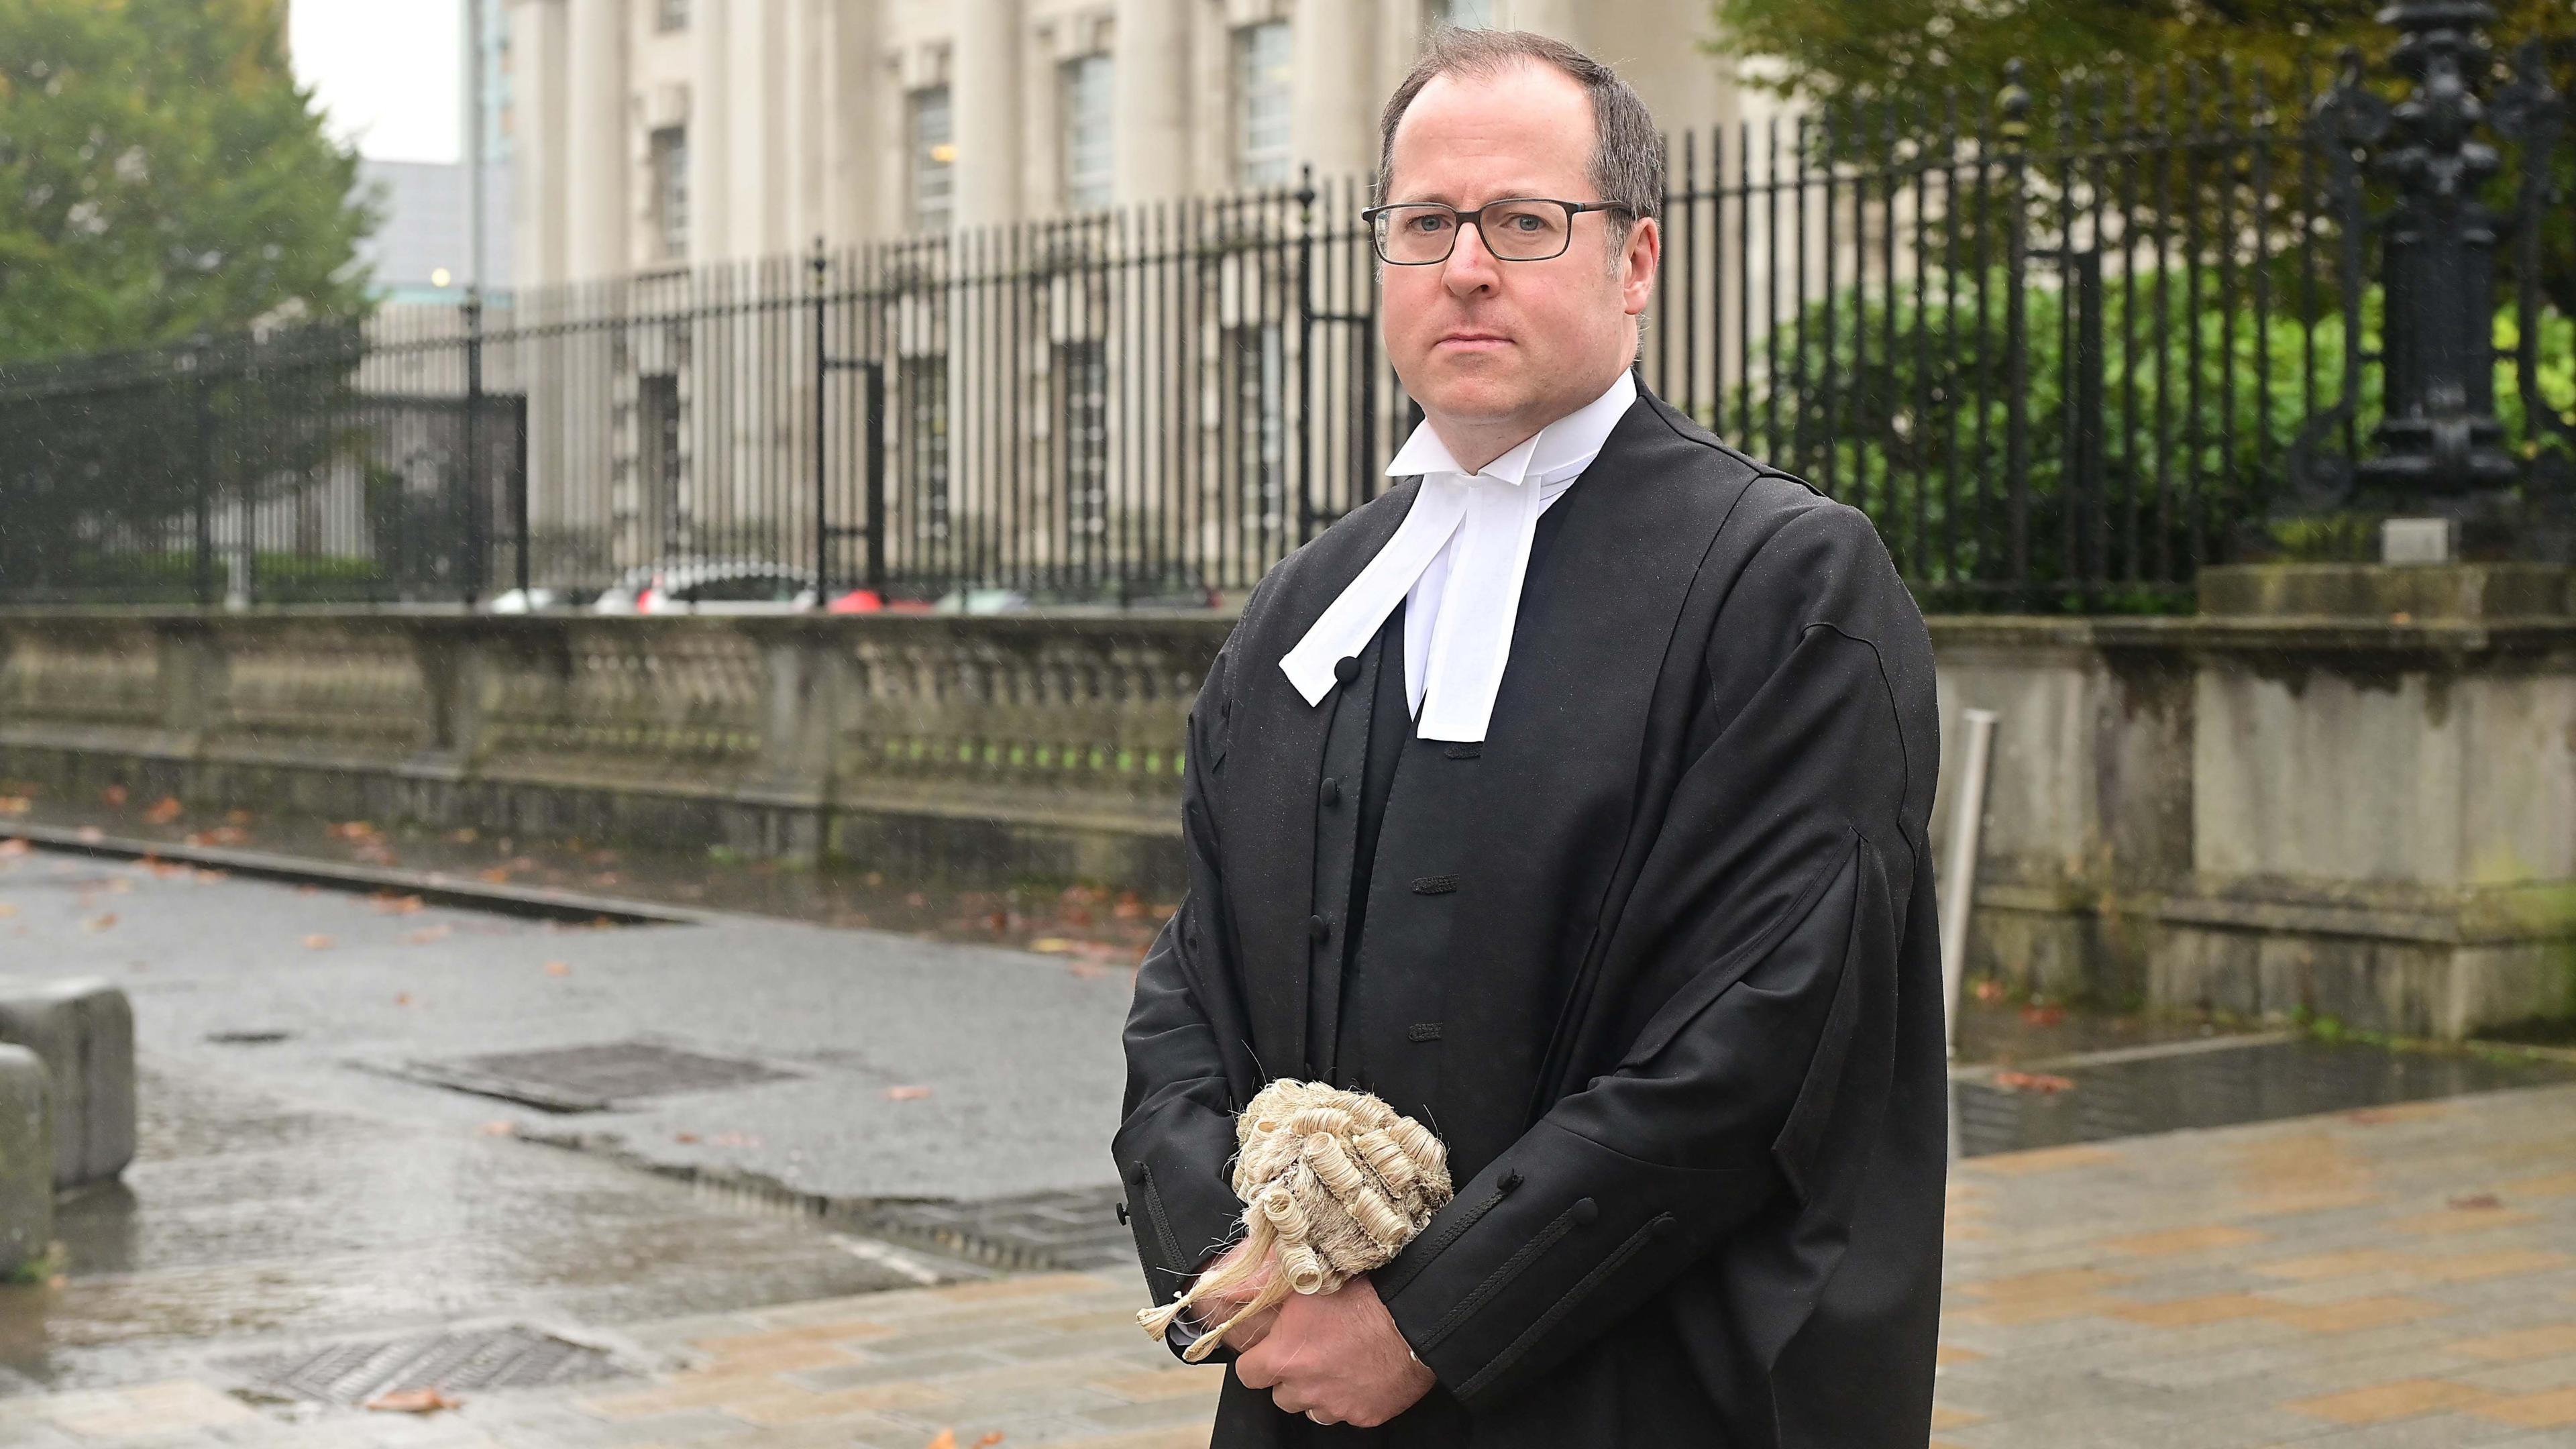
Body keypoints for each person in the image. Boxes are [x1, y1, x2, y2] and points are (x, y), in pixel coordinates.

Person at [1111, 28, 1944, 1446]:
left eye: (1524, 221)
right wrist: (1231, 1266)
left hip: (1625, 1386)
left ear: (1636, 262)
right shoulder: (1308, 605)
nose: (1466, 266)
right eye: (1425, 222)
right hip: (1304, 1385)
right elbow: (1191, 984)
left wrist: (1428, 1325)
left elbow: (1757, 1045)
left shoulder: (1785, 585)